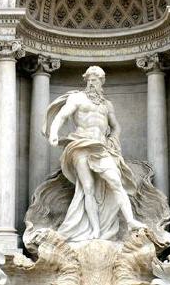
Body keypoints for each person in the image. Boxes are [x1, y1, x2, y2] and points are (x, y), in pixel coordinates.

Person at [43, 66, 146, 242]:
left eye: (95, 79)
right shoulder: (77, 98)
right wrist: (53, 133)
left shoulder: (107, 105)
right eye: (89, 79)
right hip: (80, 145)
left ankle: (130, 221)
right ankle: (95, 229)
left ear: (102, 82)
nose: (91, 83)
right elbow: (61, 116)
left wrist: (113, 138)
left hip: (101, 147)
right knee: (88, 188)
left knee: (116, 181)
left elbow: (116, 126)